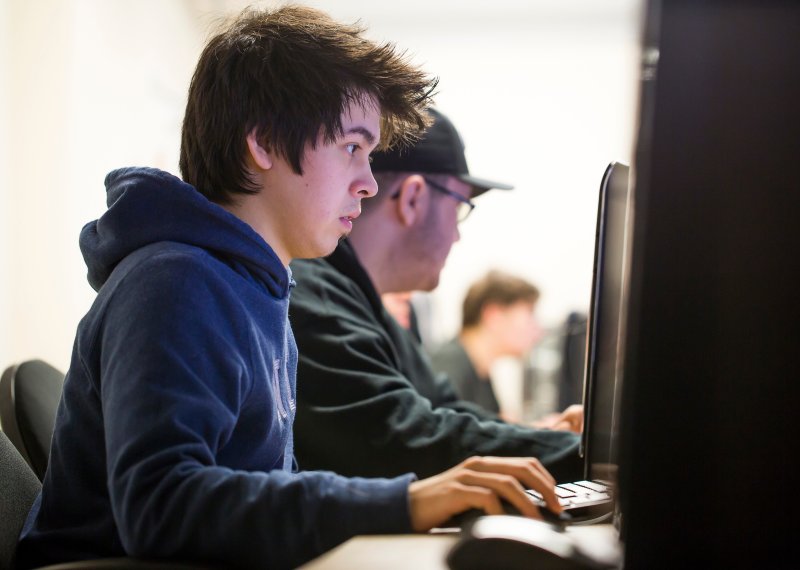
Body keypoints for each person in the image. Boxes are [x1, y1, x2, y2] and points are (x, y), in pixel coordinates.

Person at [15, 7, 565, 570]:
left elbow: (265, 488)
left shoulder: (257, 288)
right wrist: (405, 501)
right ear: (265, 142)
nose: (369, 183)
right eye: (353, 147)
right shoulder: (175, 282)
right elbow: (162, 506)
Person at [289, 108, 585, 483]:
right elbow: (405, 439)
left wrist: (545, 438)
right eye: (460, 207)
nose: (457, 235)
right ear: (413, 198)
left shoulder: (359, 301)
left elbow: (441, 409)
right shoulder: (316, 297)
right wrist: (589, 457)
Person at [430, 270, 543, 419]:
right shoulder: (450, 366)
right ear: (494, 315)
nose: (538, 331)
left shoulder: (480, 369)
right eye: (530, 314)